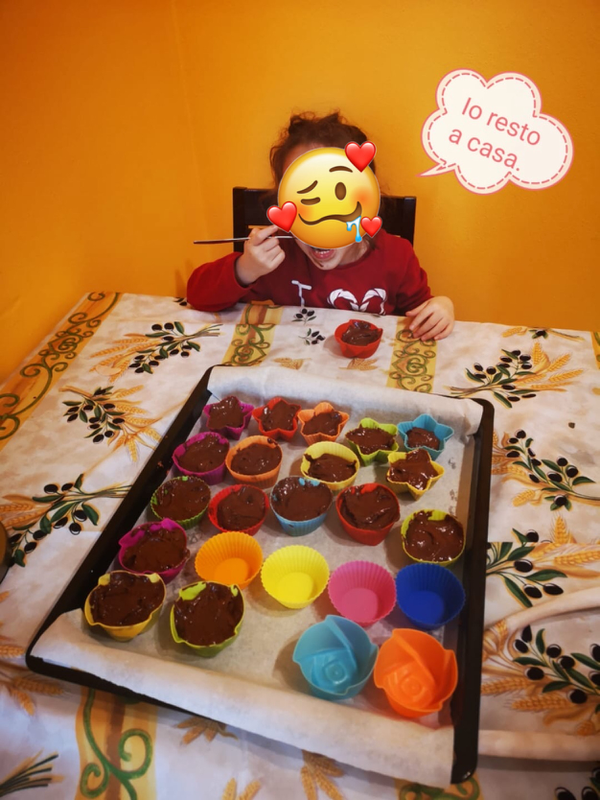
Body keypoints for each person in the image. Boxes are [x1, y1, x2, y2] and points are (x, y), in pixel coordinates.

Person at [187, 112, 454, 341]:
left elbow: (421, 314)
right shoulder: (277, 257)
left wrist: (442, 306)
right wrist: (246, 268)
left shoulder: (396, 255)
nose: (321, 219)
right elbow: (198, 296)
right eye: (305, 199)